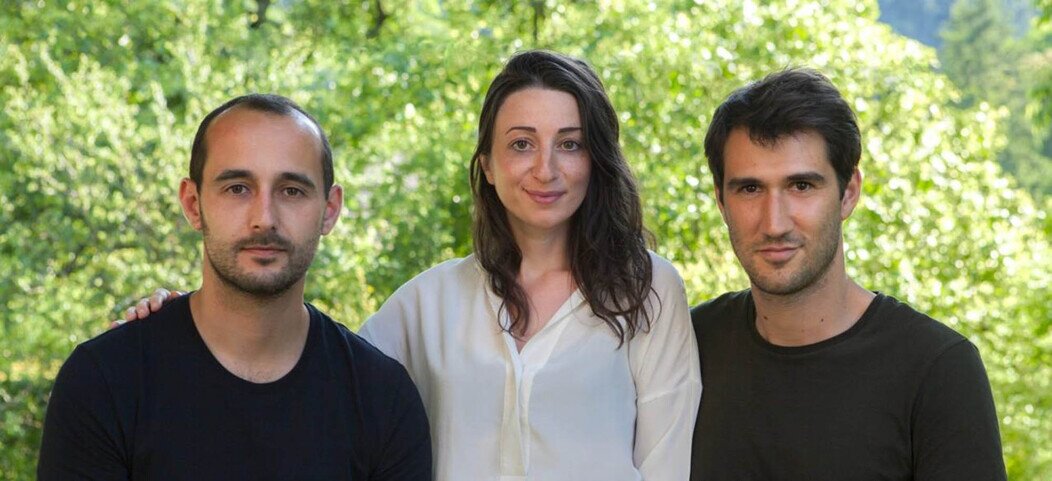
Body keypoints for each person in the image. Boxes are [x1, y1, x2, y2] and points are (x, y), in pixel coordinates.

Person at [118, 51, 702, 480]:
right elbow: (309, 370)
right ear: (489, 166)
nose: (545, 169)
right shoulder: (430, 301)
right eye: (521, 144)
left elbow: (667, 463)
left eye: (569, 144)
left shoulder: (650, 291)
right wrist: (184, 324)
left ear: (596, 161)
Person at [38, 94, 432, 480]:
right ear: (193, 204)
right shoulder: (104, 381)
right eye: (237, 188)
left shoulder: (383, 399)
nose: (264, 218)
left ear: (329, 210)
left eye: (291, 190)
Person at [690, 68, 1007, 480]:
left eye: (801, 186)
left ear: (848, 193)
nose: (774, 222)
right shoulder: (688, 344)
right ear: (721, 200)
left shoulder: (937, 370)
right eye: (750, 189)